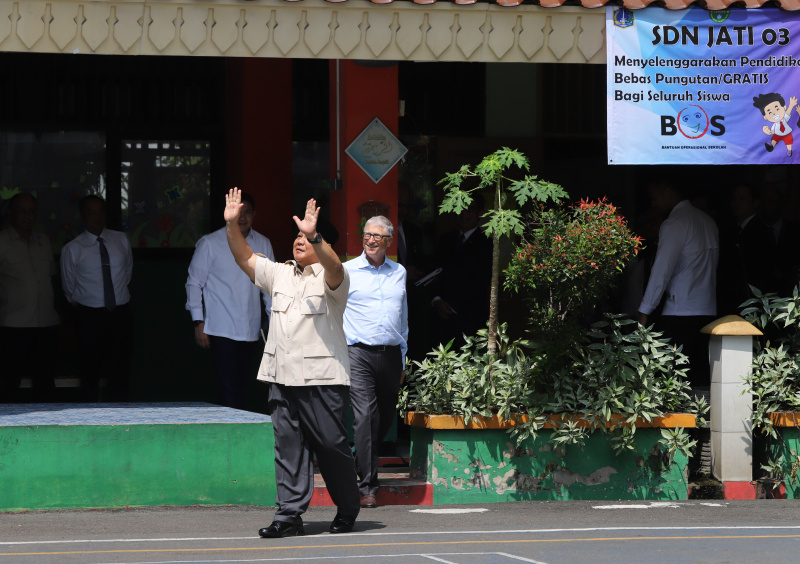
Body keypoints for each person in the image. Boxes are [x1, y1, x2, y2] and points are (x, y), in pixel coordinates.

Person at [224, 187, 359, 538]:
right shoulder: (280, 274)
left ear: (323, 245)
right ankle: (289, 515)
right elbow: (244, 258)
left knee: (331, 446)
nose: (300, 240)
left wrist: (317, 236)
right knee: (288, 447)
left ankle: (347, 506)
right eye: (298, 235)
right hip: (281, 377)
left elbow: (333, 265)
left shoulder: (335, 279)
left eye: (308, 237)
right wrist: (231, 225)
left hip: (322, 378)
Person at [185, 192, 275, 409]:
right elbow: (194, 283)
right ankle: (232, 433)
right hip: (219, 329)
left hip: (252, 329)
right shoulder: (210, 243)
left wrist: (275, 325)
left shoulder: (263, 243)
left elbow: (271, 288)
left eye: (248, 212)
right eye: (238, 211)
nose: (242, 217)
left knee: (244, 385)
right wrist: (199, 322)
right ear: (228, 213)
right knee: (227, 387)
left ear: (254, 214)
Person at [343, 216, 408, 509]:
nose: (370, 240)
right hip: (357, 352)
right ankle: (368, 485)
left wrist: (404, 359)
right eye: (367, 234)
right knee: (365, 417)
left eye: (377, 236)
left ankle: (360, 458)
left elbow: (402, 318)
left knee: (384, 416)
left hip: (391, 353)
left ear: (388, 242)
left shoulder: (399, 272)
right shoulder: (346, 271)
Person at [637, 181, 719, 389]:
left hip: (679, 310)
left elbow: (661, 270)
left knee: (675, 380)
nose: (654, 203)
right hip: (707, 308)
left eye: (655, 196)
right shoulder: (708, 221)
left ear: (669, 191)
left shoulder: (675, 222)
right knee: (701, 378)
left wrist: (645, 310)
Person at [60, 195, 133, 402]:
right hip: (89, 316)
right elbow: (69, 287)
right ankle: (88, 418)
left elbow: (127, 273)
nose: (97, 217)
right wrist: (89, 304)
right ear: (82, 216)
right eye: (91, 212)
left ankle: (119, 419)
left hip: (119, 313)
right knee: (89, 371)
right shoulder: (73, 248)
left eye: (101, 211)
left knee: (120, 370)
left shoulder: (120, 240)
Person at [0, 193, 60, 402]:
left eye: (31, 211)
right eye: (21, 211)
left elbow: (50, 276)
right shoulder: (1, 242)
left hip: (45, 325)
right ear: (10, 213)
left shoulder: (43, 241)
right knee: (9, 384)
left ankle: (45, 431)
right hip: (12, 326)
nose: (27, 216)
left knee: (45, 384)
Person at [430, 195, 492, 349]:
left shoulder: (486, 243)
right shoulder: (445, 240)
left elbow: (481, 281)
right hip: (440, 320)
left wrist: (452, 305)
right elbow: (433, 274)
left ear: (480, 213)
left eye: (470, 209)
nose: (464, 213)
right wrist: (436, 300)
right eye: (461, 208)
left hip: (470, 320)